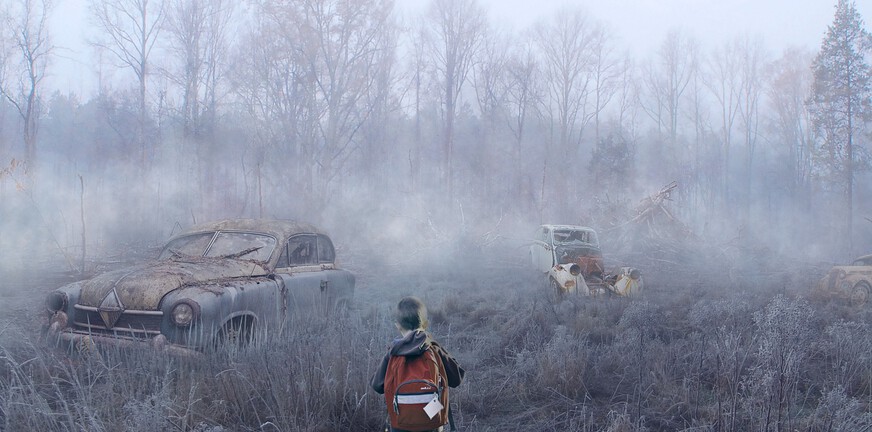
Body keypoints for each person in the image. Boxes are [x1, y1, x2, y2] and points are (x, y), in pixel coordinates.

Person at [371, 297, 465, 432]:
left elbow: (377, 386)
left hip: (400, 423)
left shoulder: (393, 352)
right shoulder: (432, 347)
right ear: (425, 324)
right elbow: (457, 379)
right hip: (432, 421)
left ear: (397, 325)